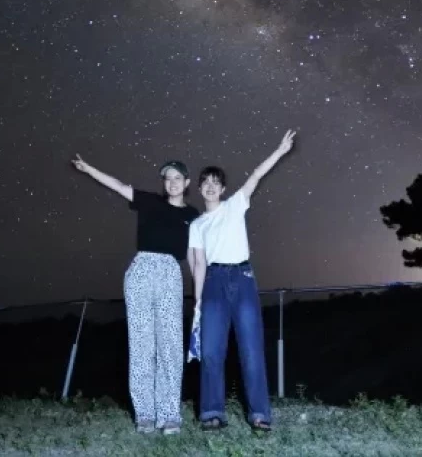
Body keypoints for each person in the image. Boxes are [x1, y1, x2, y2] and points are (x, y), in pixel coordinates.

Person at [72, 155, 200, 435]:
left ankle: (169, 415)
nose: (172, 183)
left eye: (178, 178)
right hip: (141, 269)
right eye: (168, 178)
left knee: (170, 345)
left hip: (169, 272)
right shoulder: (149, 201)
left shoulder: (193, 216)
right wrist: (90, 168)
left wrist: (199, 292)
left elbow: (194, 256)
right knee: (142, 345)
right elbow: (118, 186)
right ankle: (145, 414)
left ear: (187, 182)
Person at [187, 130, 296, 432]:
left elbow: (257, 175)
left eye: (215, 182)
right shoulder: (196, 225)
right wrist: (197, 303)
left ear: (222, 188)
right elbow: (197, 264)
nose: (210, 187)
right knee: (211, 351)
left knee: (251, 349)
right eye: (205, 182)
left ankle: (259, 413)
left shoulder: (235, 204)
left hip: (243, 278)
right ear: (199, 188)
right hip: (213, 282)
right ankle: (211, 411)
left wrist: (280, 150)